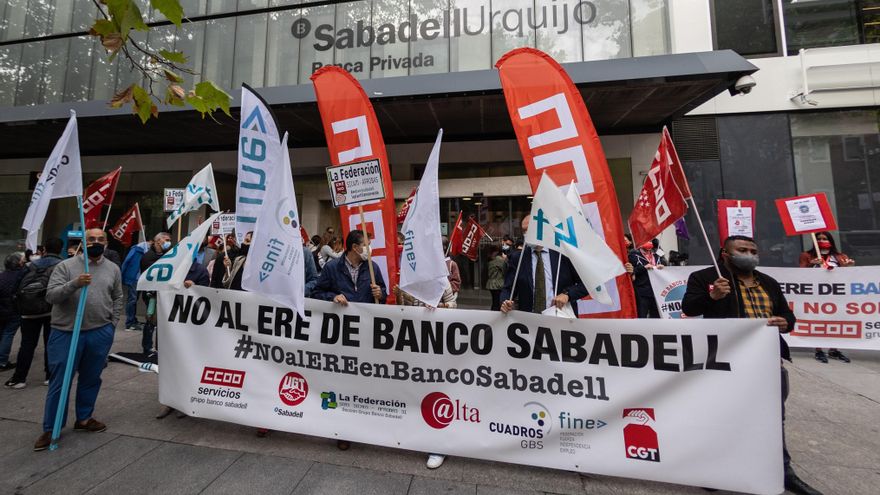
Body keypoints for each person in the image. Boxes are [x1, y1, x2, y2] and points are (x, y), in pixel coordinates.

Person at [681, 235, 821, 495]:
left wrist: (785, 322)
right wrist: (712, 297)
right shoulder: (705, 278)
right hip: (725, 361)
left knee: (772, 418)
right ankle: (715, 469)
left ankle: (783, 471)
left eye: (753, 250)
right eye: (742, 250)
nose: (749, 254)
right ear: (725, 253)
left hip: (767, 363)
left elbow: (788, 316)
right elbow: (688, 307)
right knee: (722, 416)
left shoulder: (768, 282)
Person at [34, 228, 123, 451]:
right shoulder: (65, 266)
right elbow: (51, 295)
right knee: (60, 381)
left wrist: (112, 325)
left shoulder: (112, 268)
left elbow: (117, 297)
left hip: (99, 331)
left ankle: (84, 418)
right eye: (91, 239)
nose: (96, 242)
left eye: (100, 239)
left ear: (106, 243)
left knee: (91, 378)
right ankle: (51, 426)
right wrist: (74, 283)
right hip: (66, 332)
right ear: (83, 242)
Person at [313, 229, 386, 451]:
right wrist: (332, 297)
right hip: (341, 336)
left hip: (365, 335)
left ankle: (362, 424)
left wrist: (379, 293)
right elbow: (316, 292)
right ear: (355, 247)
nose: (369, 247)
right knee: (342, 380)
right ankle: (343, 430)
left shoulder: (373, 267)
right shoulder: (333, 268)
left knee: (362, 380)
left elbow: (383, 295)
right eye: (367, 243)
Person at [500, 217, 588, 315]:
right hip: (529, 322)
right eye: (524, 230)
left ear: (544, 228)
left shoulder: (563, 255)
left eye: (531, 229)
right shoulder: (518, 258)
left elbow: (586, 284)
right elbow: (508, 289)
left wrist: (567, 295)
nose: (527, 234)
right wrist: (505, 302)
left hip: (561, 318)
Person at [6, 238, 64, 388]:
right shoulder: (62, 265)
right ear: (61, 249)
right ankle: (50, 376)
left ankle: (19, 378)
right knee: (50, 344)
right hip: (52, 311)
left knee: (26, 345)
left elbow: (16, 287)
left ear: (44, 249)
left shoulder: (30, 265)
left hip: (29, 311)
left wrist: (19, 306)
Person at [798, 231, 855, 364]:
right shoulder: (806, 255)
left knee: (835, 321)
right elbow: (799, 274)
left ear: (831, 241)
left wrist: (847, 267)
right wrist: (811, 264)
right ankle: (818, 349)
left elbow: (848, 276)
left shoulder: (840, 257)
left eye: (825, 238)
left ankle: (833, 349)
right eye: (819, 239)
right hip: (816, 295)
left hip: (836, 295)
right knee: (817, 321)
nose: (822, 240)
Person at [140, 232, 172, 357]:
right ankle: (147, 348)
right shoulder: (148, 257)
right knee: (150, 321)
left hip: (165, 293)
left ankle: (160, 347)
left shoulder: (168, 255)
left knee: (163, 322)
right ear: (158, 241)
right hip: (152, 295)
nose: (169, 242)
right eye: (166, 240)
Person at [0, 252, 26, 372]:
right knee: (8, 334)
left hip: (2, 309)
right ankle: (2, 361)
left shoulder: (2, 275)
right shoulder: (22, 275)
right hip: (14, 309)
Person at [628, 239, 665, 318]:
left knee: (657, 316)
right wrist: (644, 267)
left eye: (650, 241)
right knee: (642, 314)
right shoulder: (633, 255)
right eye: (646, 240)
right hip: (642, 290)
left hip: (657, 291)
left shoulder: (658, 254)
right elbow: (631, 272)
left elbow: (666, 267)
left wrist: (663, 267)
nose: (649, 243)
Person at [120, 240, 150, 331]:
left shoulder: (147, 251)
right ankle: (129, 323)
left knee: (138, 299)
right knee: (132, 299)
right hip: (135, 278)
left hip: (143, 278)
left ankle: (133, 320)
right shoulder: (137, 250)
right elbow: (126, 262)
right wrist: (122, 276)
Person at [486, 244, 506, 311]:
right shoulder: (499, 259)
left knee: (495, 302)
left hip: (491, 284)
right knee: (497, 303)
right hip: (498, 284)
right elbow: (505, 270)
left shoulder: (490, 258)